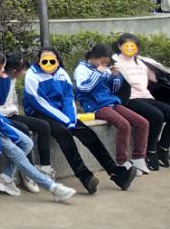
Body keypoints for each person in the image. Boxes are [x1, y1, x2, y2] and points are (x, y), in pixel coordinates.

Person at [0, 49, 76, 203]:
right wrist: (9, 134)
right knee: (19, 154)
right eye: (2, 66)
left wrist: (9, 130)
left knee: (27, 142)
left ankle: (5, 177)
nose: (4, 69)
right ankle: (53, 188)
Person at [23, 46, 138, 193]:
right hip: (39, 112)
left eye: (52, 60)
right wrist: (65, 120)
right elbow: (38, 102)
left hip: (62, 114)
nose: (48, 63)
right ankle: (85, 177)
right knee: (64, 134)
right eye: (44, 60)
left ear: (57, 61)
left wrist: (70, 118)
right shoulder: (32, 75)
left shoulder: (62, 74)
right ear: (39, 61)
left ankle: (116, 172)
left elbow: (68, 97)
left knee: (87, 133)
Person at [74, 44, 150, 173]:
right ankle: (122, 162)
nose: (104, 64)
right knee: (124, 125)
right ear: (94, 58)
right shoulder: (81, 69)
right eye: (102, 61)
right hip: (95, 106)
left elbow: (113, 90)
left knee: (142, 122)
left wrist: (115, 76)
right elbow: (84, 88)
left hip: (111, 102)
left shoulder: (104, 68)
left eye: (106, 62)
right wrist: (99, 72)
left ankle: (138, 158)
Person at [0, 53, 56, 192]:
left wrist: (11, 109)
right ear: (15, 71)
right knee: (23, 128)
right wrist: (9, 110)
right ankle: (28, 171)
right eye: (23, 69)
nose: (25, 72)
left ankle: (45, 168)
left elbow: (13, 102)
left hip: (10, 113)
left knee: (43, 126)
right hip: (1, 116)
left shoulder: (12, 79)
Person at [114, 33, 170, 170]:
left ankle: (163, 147)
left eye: (133, 46)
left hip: (146, 96)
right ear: (120, 46)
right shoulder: (115, 62)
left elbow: (158, 78)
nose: (130, 48)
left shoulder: (142, 62)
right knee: (156, 116)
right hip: (129, 99)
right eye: (126, 45)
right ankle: (151, 152)